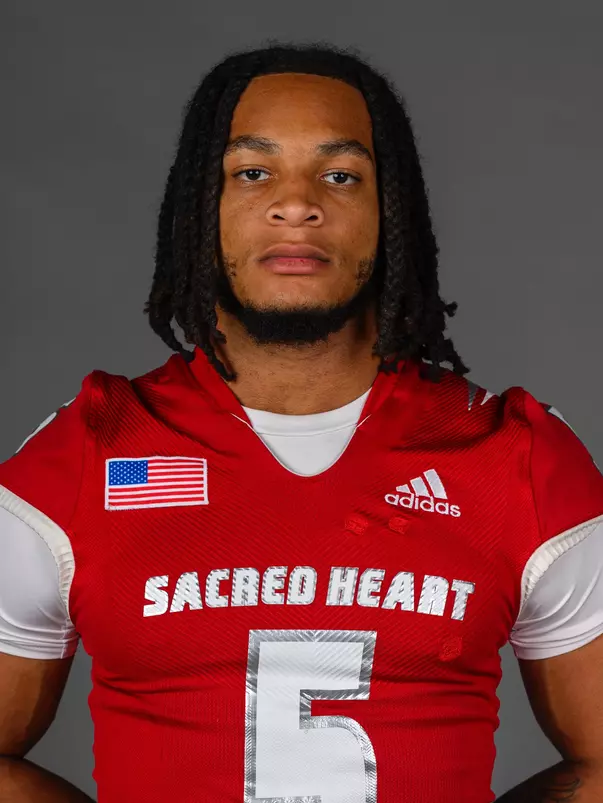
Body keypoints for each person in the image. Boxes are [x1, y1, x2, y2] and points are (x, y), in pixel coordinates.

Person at [0, 42, 602, 803]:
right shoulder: (91, 448)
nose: (296, 204)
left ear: (391, 211)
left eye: (340, 175)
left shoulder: (515, 455)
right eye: (252, 172)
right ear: (199, 208)